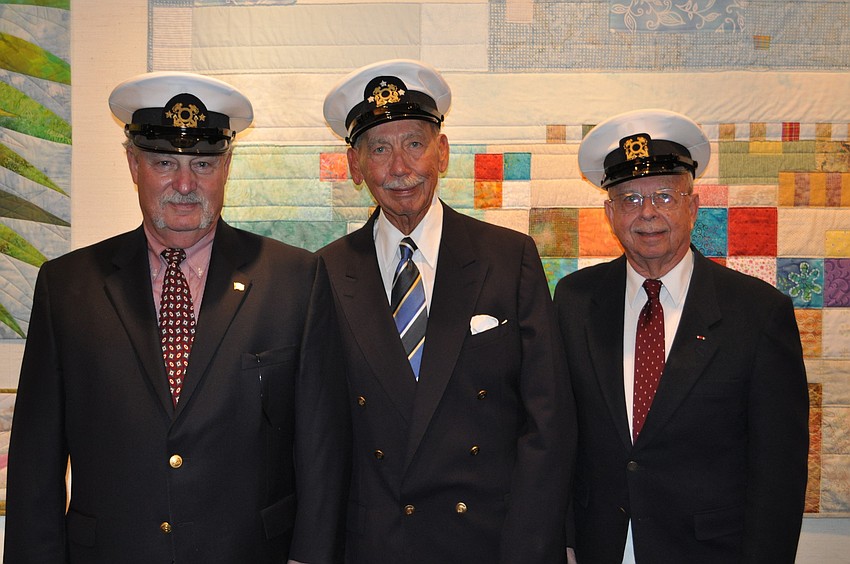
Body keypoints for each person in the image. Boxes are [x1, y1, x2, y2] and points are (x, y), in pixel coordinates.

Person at [4, 71, 350, 564]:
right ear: (133, 163)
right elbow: (35, 462)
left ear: (226, 166)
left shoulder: (296, 280)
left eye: (203, 163)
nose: (184, 184)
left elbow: (322, 449)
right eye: (164, 162)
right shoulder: (67, 287)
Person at [319, 59, 575, 563]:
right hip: (376, 545)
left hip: (489, 541)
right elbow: (320, 434)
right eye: (379, 149)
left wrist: (532, 545)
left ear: (443, 152)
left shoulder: (509, 257)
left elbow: (548, 419)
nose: (400, 168)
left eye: (414, 143)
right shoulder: (325, 272)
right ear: (354, 166)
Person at [554, 108, 809, 563]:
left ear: (693, 206)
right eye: (630, 199)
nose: (647, 213)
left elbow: (779, 471)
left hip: (709, 551)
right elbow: (558, 434)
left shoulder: (757, 312)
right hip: (598, 546)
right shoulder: (574, 300)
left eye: (665, 196)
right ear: (609, 213)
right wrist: (566, 541)